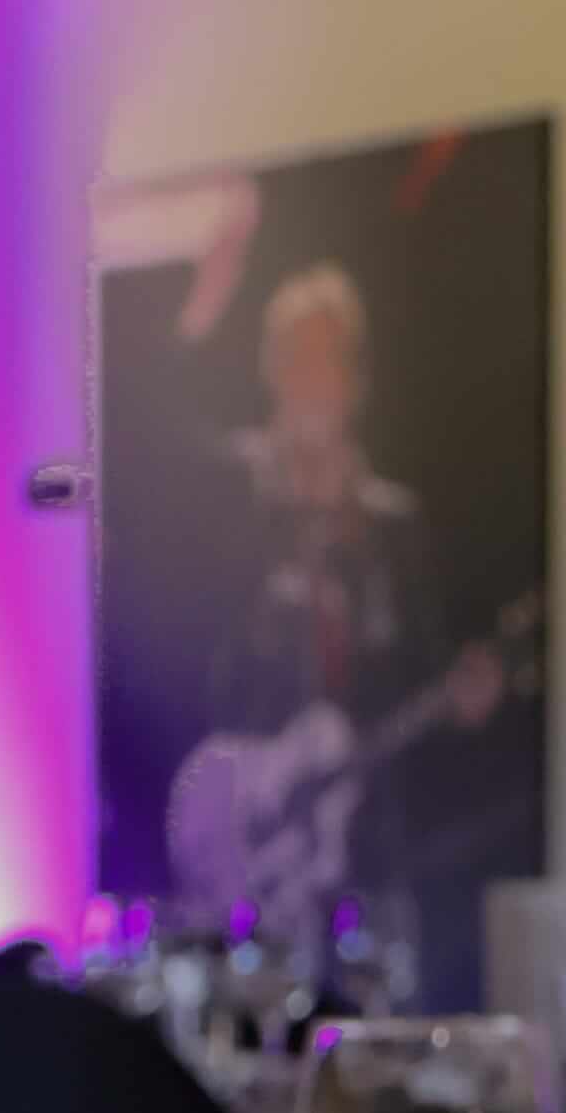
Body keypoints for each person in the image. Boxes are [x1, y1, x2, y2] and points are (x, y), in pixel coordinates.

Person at [159, 267, 525, 1000]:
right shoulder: (230, 497)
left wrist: (466, 697)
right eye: (294, 357)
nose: (310, 379)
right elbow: (187, 656)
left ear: (355, 381)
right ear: (269, 371)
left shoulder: (392, 526)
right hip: (251, 824)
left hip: (368, 849)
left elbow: (421, 668)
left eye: (326, 359)